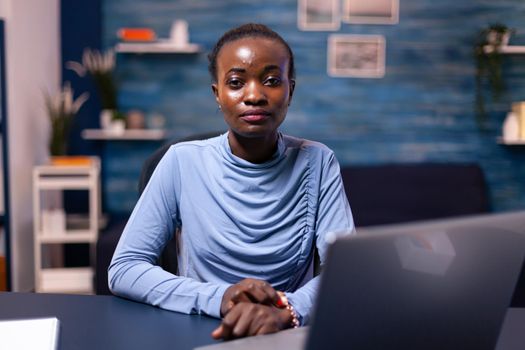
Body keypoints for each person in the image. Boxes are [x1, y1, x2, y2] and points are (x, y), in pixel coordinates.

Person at [108, 23, 355, 340]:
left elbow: (345, 275)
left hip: (286, 332)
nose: (254, 95)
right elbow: (125, 268)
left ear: (290, 91)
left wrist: (287, 311)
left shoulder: (319, 162)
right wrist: (220, 298)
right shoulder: (181, 161)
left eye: (271, 81)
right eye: (236, 82)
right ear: (218, 94)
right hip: (204, 328)